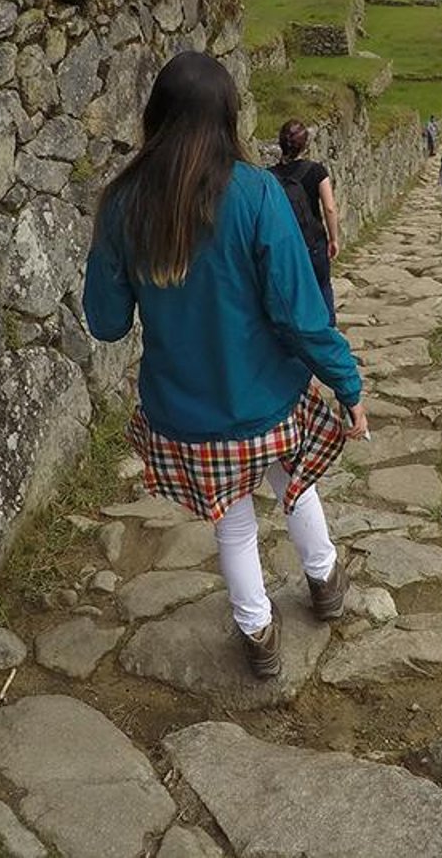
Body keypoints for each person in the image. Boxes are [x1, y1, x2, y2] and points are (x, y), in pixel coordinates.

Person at [82, 52, 367, 678]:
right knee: (295, 486)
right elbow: (298, 313)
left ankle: (258, 633)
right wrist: (346, 383)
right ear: (229, 118)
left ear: (154, 115)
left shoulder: (124, 203)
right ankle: (324, 584)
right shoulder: (258, 193)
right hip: (266, 395)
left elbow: (105, 322)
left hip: (186, 408)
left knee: (233, 526)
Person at [271, 118, 340, 320]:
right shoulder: (316, 170)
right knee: (322, 286)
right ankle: (328, 332)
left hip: (285, 246)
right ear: (305, 144)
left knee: (292, 295)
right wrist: (333, 239)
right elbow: (329, 207)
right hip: (314, 243)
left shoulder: (269, 176)